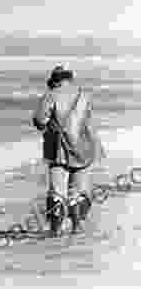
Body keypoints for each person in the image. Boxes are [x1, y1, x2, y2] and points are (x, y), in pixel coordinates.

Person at [32, 66, 106, 236]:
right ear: (70, 78)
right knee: (78, 191)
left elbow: (39, 120)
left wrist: (46, 126)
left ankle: (55, 229)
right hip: (84, 148)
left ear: (54, 79)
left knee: (57, 191)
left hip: (59, 149)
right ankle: (77, 226)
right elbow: (88, 122)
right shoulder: (84, 95)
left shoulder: (51, 94)